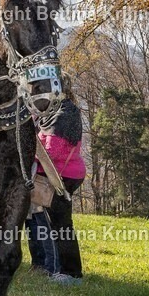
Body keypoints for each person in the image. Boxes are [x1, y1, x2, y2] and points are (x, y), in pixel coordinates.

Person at [38, 99, 87, 283]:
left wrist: (28, 154)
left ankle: (71, 273)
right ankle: (62, 269)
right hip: (59, 175)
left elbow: (53, 153)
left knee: (62, 226)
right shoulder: (54, 114)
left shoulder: (63, 116)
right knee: (57, 225)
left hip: (62, 177)